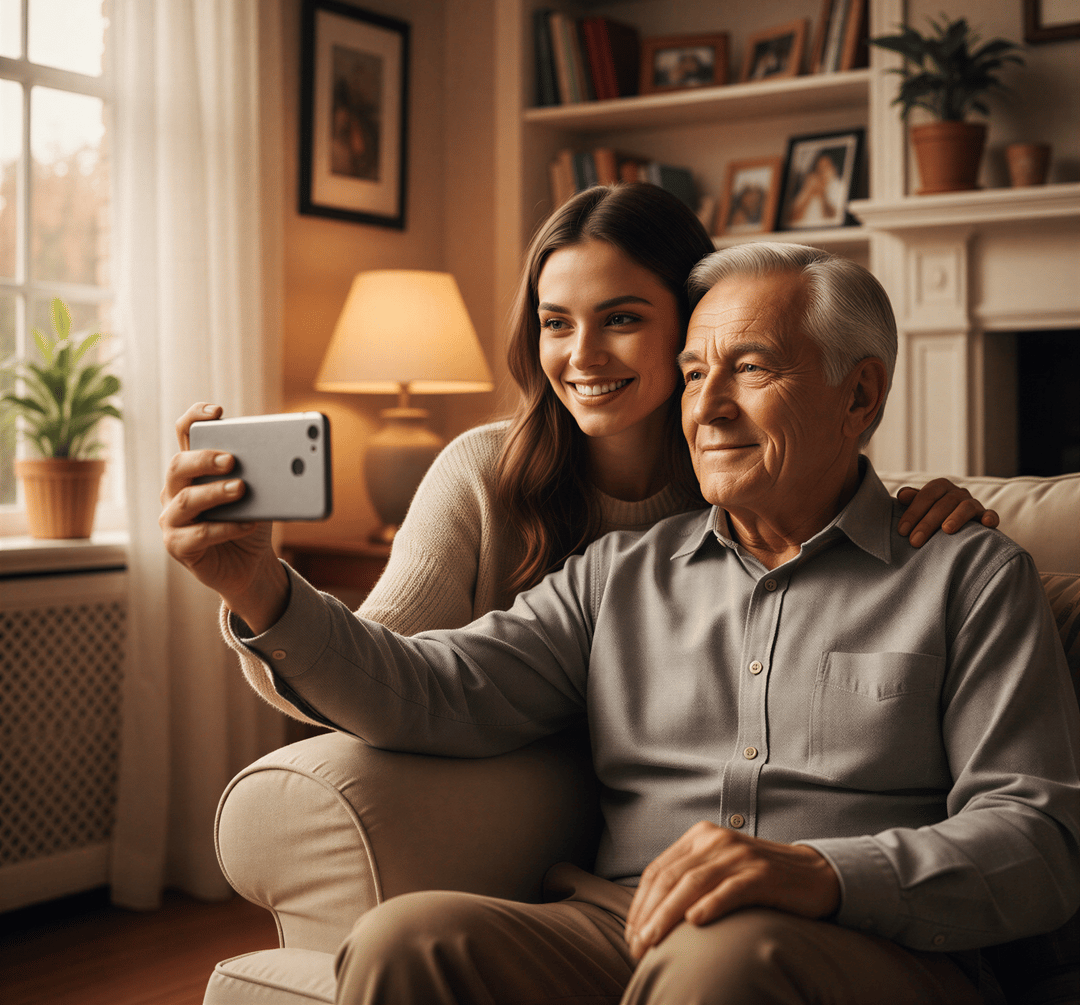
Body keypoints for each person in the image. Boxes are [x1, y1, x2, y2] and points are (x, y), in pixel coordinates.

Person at [163, 241, 1079, 1004]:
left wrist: (818, 872)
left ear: (860, 396)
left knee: (720, 964)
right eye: (694, 373)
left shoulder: (968, 575)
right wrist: (260, 587)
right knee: (406, 940)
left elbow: (1038, 838)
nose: (707, 407)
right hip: (625, 925)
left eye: (750, 368)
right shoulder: (618, 575)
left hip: (865, 945)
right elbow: (433, 691)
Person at [161, 184, 996, 728]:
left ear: (695, 324)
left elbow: (843, 547)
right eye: (556, 323)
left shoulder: (747, 485)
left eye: (622, 318)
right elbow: (377, 676)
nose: (583, 355)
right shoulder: (483, 473)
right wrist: (254, 586)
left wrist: (931, 512)